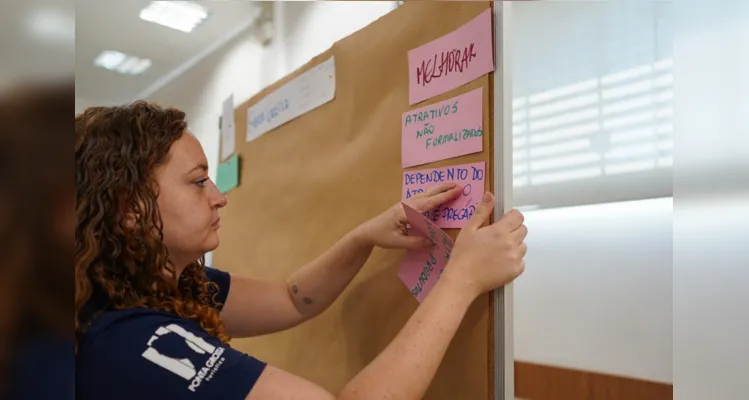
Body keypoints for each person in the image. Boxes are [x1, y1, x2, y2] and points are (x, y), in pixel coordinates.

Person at [74, 101, 528, 400]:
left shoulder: (166, 283)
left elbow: (290, 298)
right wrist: (461, 281)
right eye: (197, 182)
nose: (219, 195)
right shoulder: (132, 341)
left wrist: (362, 237)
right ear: (129, 208)